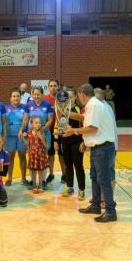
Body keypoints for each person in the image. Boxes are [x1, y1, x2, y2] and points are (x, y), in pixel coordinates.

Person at [64, 83, 117, 223]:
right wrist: (66, 113)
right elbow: (83, 119)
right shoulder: (91, 105)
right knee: (94, 177)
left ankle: (111, 211)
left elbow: (92, 128)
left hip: (103, 148)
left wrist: (73, 131)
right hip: (97, 148)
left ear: (82, 94)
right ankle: (95, 205)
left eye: (79, 96)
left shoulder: (94, 105)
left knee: (103, 179)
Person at [19, 86, 53, 190]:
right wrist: (21, 130)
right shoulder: (28, 105)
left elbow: (50, 120)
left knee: (43, 157)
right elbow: (25, 120)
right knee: (32, 157)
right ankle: (33, 182)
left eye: (38, 94)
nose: (36, 96)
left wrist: (42, 130)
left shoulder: (47, 104)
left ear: (42, 94)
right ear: (32, 95)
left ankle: (42, 181)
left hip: (44, 134)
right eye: (34, 94)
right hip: (32, 135)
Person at [56, 87, 85, 200]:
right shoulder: (61, 110)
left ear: (75, 97)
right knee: (67, 165)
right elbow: (60, 126)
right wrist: (57, 140)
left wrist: (84, 141)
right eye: (66, 97)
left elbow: (84, 124)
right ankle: (69, 187)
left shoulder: (80, 108)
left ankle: (81, 189)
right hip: (65, 141)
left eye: (71, 96)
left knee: (78, 166)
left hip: (77, 141)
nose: (69, 99)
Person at [94, 88, 118, 207]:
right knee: (101, 172)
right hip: (108, 144)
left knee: (108, 172)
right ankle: (101, 198)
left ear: (100, 98)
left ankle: (107, 199)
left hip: (110, 146)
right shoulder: (102, 107)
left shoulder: (104, 108)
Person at [43, 79, 65, 184]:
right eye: (51, 86)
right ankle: (51, 174)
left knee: (61, 154)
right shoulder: (45, 99)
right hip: (49, 132)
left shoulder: (63, 98)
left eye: (55, 85)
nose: (53, 87)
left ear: (58, 87)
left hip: (61, 132)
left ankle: (64, 175)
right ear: (48, 87)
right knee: (50, 154)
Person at [5, 88, 28, 186]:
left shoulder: (25, 107)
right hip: (9, 137)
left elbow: (26, 121)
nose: (16, 98)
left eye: (18, 96)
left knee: (22, 156)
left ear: (20, 97)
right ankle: (9, 178)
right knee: (10, 158)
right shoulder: (5, 108)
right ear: (10, 98)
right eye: (14, 96)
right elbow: (3, 122)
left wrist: (21, 130)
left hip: (21, 136)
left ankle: (23, 178)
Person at [24, 117, 49, 193]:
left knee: (41, 171)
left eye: (39, 123)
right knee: (34, 171)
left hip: (40, 155)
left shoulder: (42, 133)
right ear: (31, 124)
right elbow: (27, 145)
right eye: (36, 123)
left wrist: (41, 138)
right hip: (33, 155)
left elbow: (46, 145)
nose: (38, 124)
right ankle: (34, 185)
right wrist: (24, 139)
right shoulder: (28, 133)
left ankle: (41, 185)